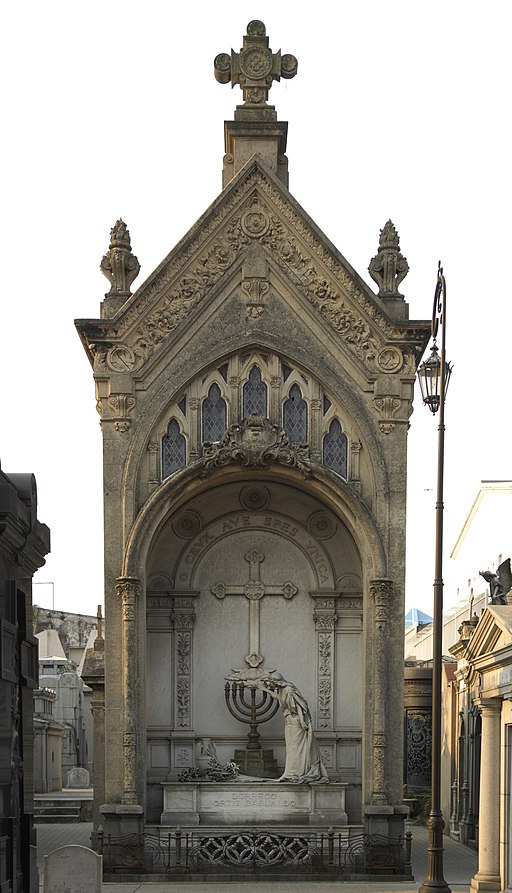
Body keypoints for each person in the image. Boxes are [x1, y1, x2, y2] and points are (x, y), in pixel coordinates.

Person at [258, 673, 329, 783]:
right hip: (289, 721)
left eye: (270, 683)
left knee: (296, 748)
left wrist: (302, 721)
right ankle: (290, 773)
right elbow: (278, 697)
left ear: (276, 682)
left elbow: (299, 707)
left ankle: (295, 773)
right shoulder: (281, 690)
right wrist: (265, 690)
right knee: (291, 748)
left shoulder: (289, 690)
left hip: (296, 721)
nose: (269, 685)